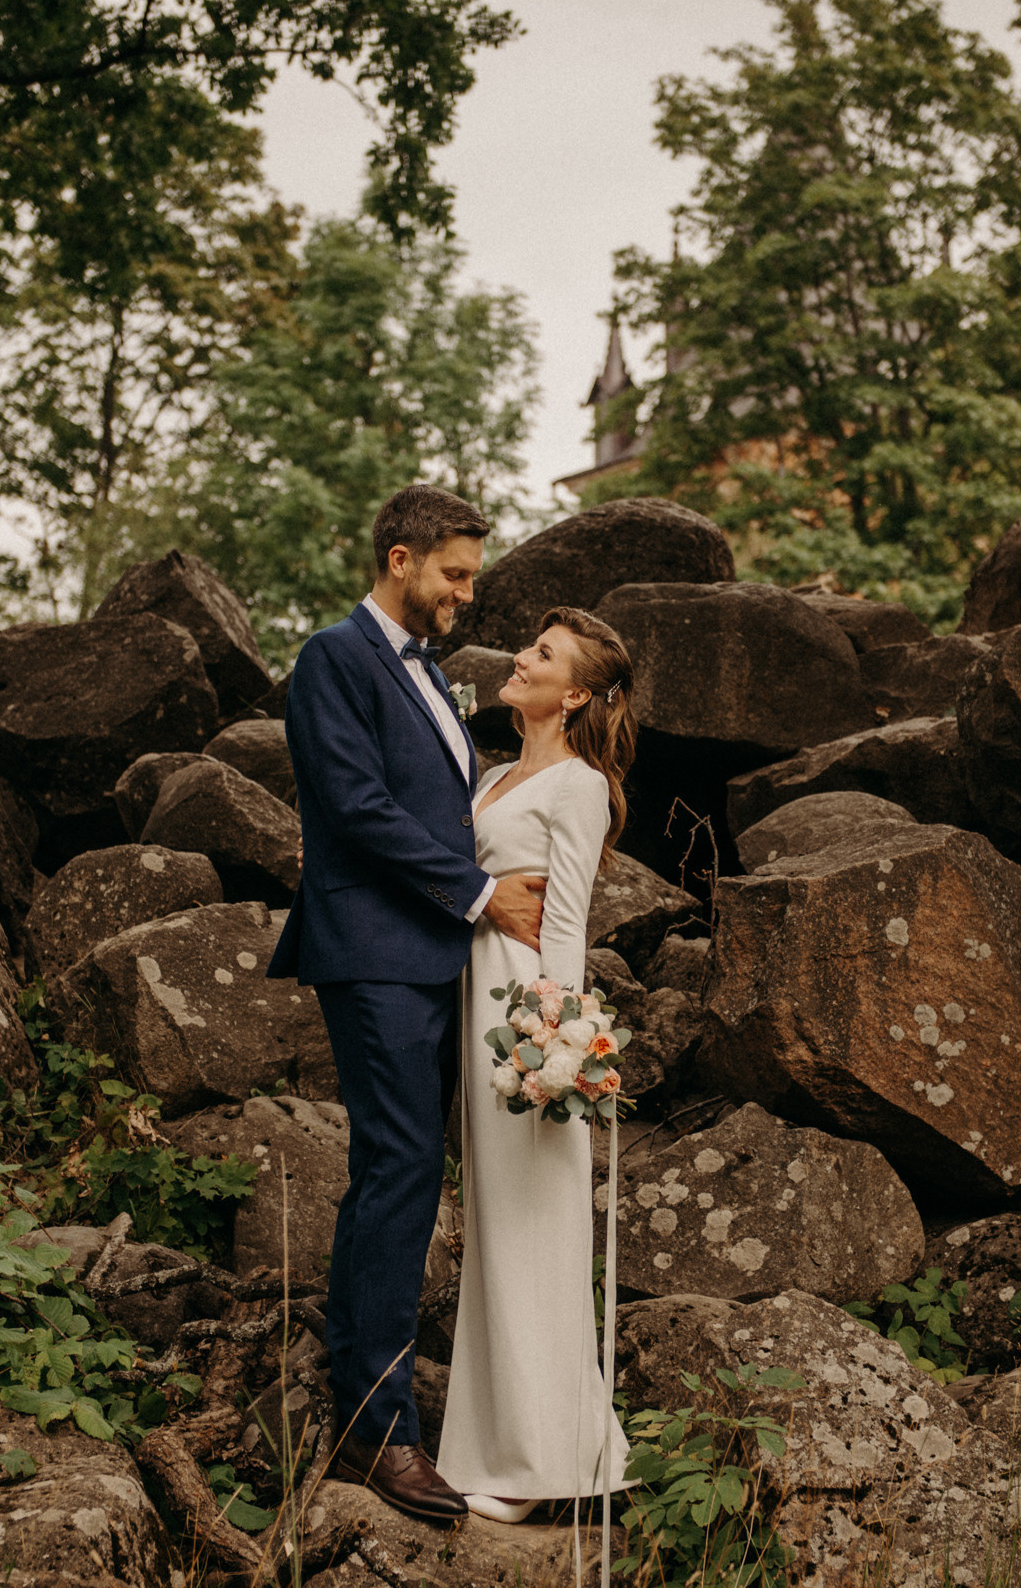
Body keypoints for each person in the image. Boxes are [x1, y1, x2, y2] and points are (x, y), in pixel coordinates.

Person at [269, 484, 549, 1526]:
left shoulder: (428, 671)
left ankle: (362, 1395)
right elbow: (355, 807)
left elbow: (440, 802)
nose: (467, 594)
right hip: (376, 954)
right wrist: (479, 895)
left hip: (429, 957)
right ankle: (380, 1430)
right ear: (400, 559)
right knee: (400, 1169)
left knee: (397, 1171)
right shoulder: (333, 659)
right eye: (455, 574)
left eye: (472, 575)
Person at [437, 606, 637, 1524]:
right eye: (530, 645)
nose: (521, 658)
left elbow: (567, 922)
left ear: (577, 694)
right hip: (475, 1004)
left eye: (543, 654)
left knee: (532, 1232)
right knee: (496, 1231)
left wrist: (555, 1047)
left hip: (525, 1023)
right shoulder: (493, 776)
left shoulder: (580, 785)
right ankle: (509, 1447)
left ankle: (534, 1466)